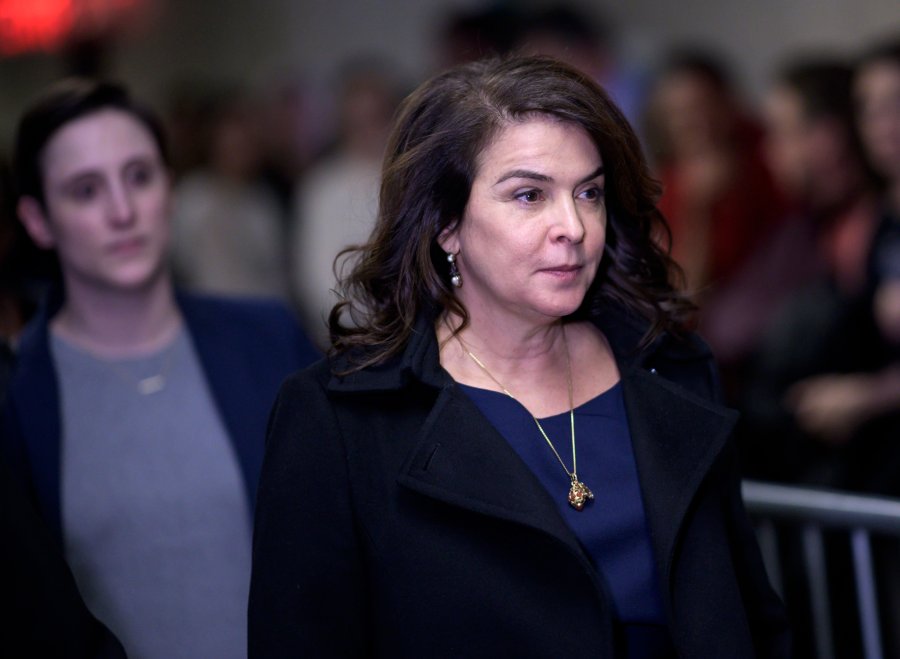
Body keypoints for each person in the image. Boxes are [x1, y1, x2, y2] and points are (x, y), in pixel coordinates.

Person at [248, 55, 789, 658]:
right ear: (446, 224)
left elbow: (750, 612)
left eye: (589, 193)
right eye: (529, 195)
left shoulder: (667, 365)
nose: (574, 227)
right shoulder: (340, 419)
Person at [2, 78, 319, 659]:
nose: (123, 212)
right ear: (38, 220)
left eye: (140, 177)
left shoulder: (266, 338)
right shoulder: (17, 397)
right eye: (86, 190)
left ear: (169, 189)